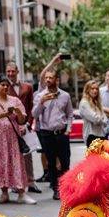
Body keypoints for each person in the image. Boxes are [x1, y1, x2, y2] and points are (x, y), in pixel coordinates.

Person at [0, 75, 36, 205]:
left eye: (7, 85)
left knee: (16, 163)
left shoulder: (15, 101)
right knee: (0, 163)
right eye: (2, 85)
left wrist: (17, 112)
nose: (5, 87)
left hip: (12, 138)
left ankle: (22, 193)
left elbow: (22, 121)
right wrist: (0, 115)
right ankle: (4, 192)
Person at [32, 69, 73, 200]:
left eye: (51, 78)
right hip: (47, 134)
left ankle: (66, 188)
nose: (48, 80)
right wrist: (41, 103)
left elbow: (70, 114)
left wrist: (68, 129)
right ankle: (56, 189)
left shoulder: (65, 96)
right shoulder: (40, 96)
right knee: (51, 163)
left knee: (65, 162)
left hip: (61, 133)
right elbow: (34, 114)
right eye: (46, 78)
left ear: (56, 80)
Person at [5, 62, 41, 194]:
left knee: (28, 154)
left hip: (25, 125)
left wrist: (27, 123)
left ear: (17, 71)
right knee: (13, 156)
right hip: (10, 126)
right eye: (8, 71)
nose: (10, 74)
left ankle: (31, 182)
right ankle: (16, 183)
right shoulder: (3, 87)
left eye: (12, 71)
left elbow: (31, 107)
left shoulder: (27, 87)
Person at [78, 80, 107, 147]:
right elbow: (95, 119)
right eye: (92, 88)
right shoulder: (84, 103)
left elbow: (106, 120)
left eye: (96, 89)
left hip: (101, 134)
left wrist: (100, 120)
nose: (95, 91)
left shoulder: (96, 103)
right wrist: (101, 120)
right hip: (91, 135)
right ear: (87, 90)